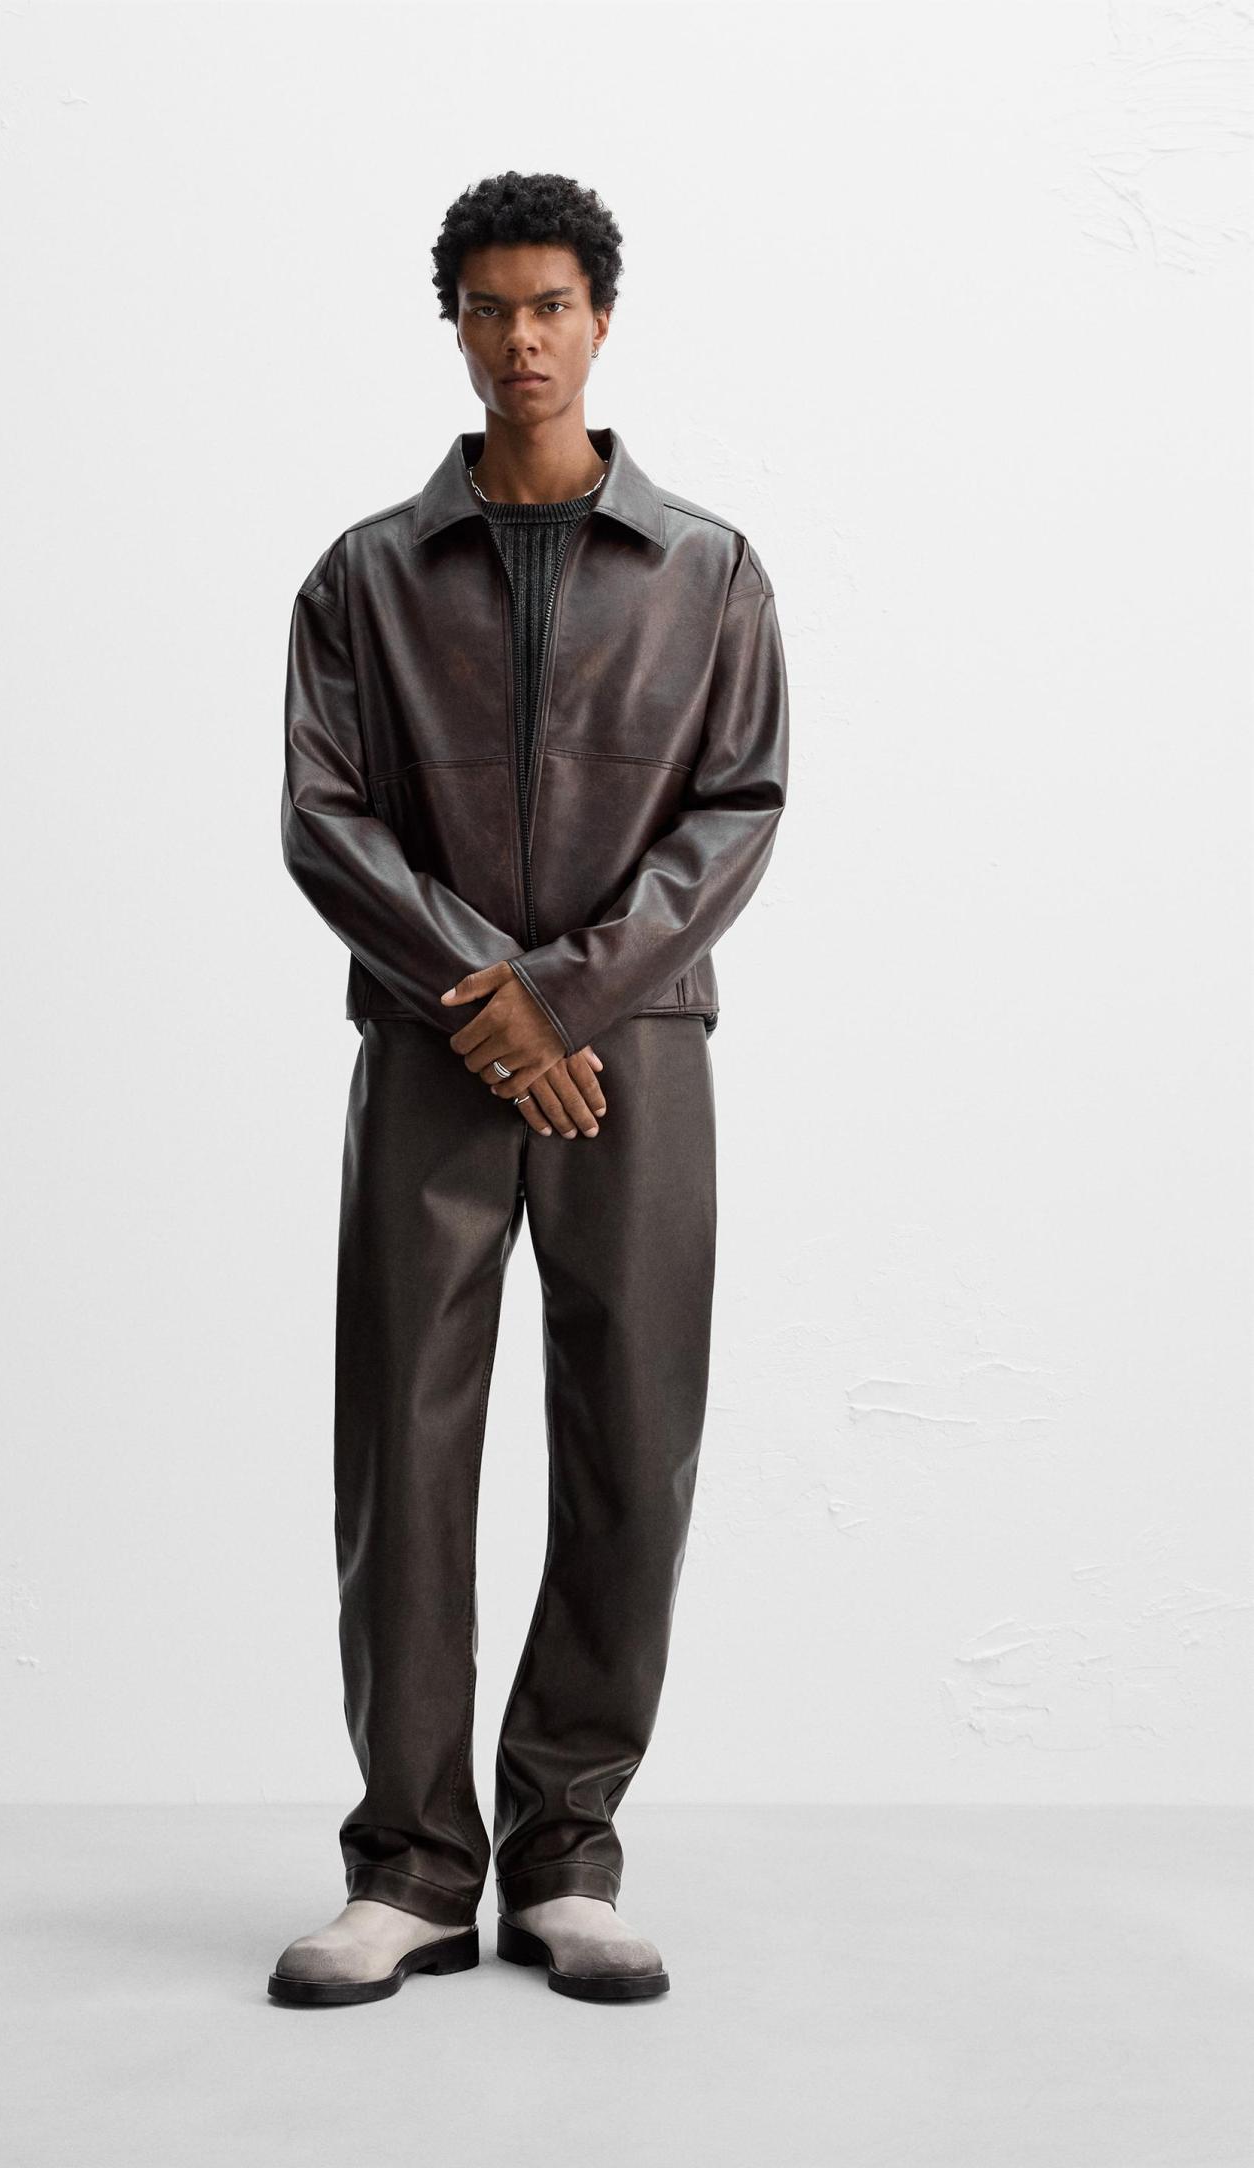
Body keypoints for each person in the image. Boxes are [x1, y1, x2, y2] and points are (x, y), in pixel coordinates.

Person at [269, 170, 789, 2007]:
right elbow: (322, 816)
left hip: (632, 1050)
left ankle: (566, 1852)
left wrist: (555, 999)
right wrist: (481, 1002)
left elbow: (737, 810)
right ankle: (410, 1867)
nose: (521, 339)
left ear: (601, 317)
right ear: (454, 324)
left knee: (631, 1436)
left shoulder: (708, 569)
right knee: (401, 1448)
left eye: (550, 304)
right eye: (488, 307)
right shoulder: (364, 574)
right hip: (430, 1050)